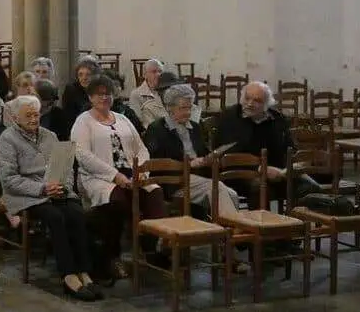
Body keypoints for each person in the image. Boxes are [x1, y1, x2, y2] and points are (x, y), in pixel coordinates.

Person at [0, 96, 101, 301]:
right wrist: (43, 189)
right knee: (55, 217)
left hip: (56, 189)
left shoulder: (50, 136)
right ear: (16, 118)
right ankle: (68, 275)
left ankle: (84, 272)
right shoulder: (7, 139)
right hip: (26, 195)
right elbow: (9, 180)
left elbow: (66, 166)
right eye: (28, 115)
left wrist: (63, 185)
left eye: (36, 114)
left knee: (77, 213)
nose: (34, 119)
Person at [71, 74, 166, 281]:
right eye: (99, 95)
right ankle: (112, 256)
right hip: (99, 177)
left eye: (108, 94)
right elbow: (83, 156)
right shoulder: (83, 121)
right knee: (118, 200)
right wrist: (116, 176)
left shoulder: (122, 119)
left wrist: (141, 171)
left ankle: (153, 247)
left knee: (154, 192)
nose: (104, 98)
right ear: (91, 97)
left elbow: (141, 148)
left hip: (132, 174)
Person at [215, 81, 317, 207]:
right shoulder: (230, 117)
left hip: (278, 172)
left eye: (257, 100)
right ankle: (259, 225)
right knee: (260, 188)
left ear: (266, 104)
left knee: (309, 186)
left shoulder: (277, 118)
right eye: (247, 98)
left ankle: (295, 222)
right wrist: (261, 169)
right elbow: (228, 153)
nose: (250, 104)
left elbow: (290, 147)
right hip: (241, 173)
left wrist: (294, 165)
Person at [143, 84, 240, 218]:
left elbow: (203, 152)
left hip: (199, 178)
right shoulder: (157, 129)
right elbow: (155, 163)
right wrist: (187, 164)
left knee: (232, 194)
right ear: (169, 108)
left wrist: (210, 159)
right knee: (217, 188)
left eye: (190, 107)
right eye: (183, 108)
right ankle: (233, 231)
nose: (188, 112)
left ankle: (223, 231)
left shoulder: (195, 127)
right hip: (175, 182)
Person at [61, 56, 100, 132]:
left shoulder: (100, 89)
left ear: (95, 76)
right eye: (80, 74)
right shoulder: (71, 90)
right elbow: (68, 116)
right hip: (77, 128)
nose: (84, 78)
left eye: (88, 74)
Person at [128, 59, 168, 129]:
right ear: (145, 75)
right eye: (154, 72)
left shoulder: (168, 91)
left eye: (160, 71)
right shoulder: (136, 94)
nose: (158, 74)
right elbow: (138, 119)